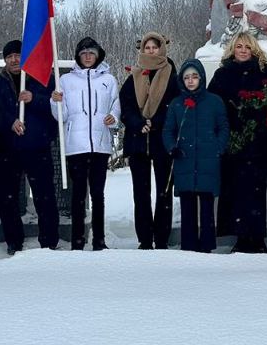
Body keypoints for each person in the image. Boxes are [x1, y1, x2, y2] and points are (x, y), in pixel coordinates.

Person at [207, 31, 267, 253]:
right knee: (236, 190)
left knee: (256, 191)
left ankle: (257, 237)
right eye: (239, 47)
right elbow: (213, 106)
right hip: (233, 142)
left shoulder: (265, 72)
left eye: (247, 47)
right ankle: (240, 237)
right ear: (233, 49)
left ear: (254, 49)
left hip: (259, 141)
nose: (243, 51)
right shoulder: (222, 74)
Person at [0, 39, 60, 253]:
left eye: (18, 55)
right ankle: (14, 240)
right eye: (9, 56)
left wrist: (34, 99)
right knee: (6, 197)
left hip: (36, 146)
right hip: (7, 148)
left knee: (45, 196)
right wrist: (10, 122)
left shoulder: (42, 80)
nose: (14, 59)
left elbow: (55, 108)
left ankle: (49, 240)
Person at [52, 36, 120, 251]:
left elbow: (115, 105)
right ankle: (77, 241)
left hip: (100, 144)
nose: (88, 57)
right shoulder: (66, 81)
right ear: (78, 56)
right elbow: (60, 116)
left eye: (91, 53)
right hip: (76, 145)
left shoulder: (108, 79)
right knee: (78, 194)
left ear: (98, 55)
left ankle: (99, 240)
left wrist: (113, 117)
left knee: (98, 194)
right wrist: (55, 101)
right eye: (84, 53)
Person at [119, 31, 179, 249]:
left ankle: (161, 238)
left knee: (164, 192)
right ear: (142, 50)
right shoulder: (134, 75)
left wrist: (157, 121)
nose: (151, 51)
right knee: (141, 193)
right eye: (147, 48)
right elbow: (125, 107)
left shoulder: (171, 75)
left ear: (162, 49)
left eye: (155, 47)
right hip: (137, 141)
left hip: (162, 141)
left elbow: (175, 105)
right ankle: (144, 239)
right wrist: (138, 123)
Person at [163, 58, 229, 252]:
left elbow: (223, 127)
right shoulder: (176, 104)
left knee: (207, 207)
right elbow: (168, 130)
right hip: (184, 160)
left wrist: (218, 147)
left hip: (208, 161)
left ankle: (207, 246)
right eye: (186, 77)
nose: (191, 81)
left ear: (201, 78)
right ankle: (189, 246)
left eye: (194, 76)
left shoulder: (214, 101)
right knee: (188, 206)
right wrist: (171, 147)